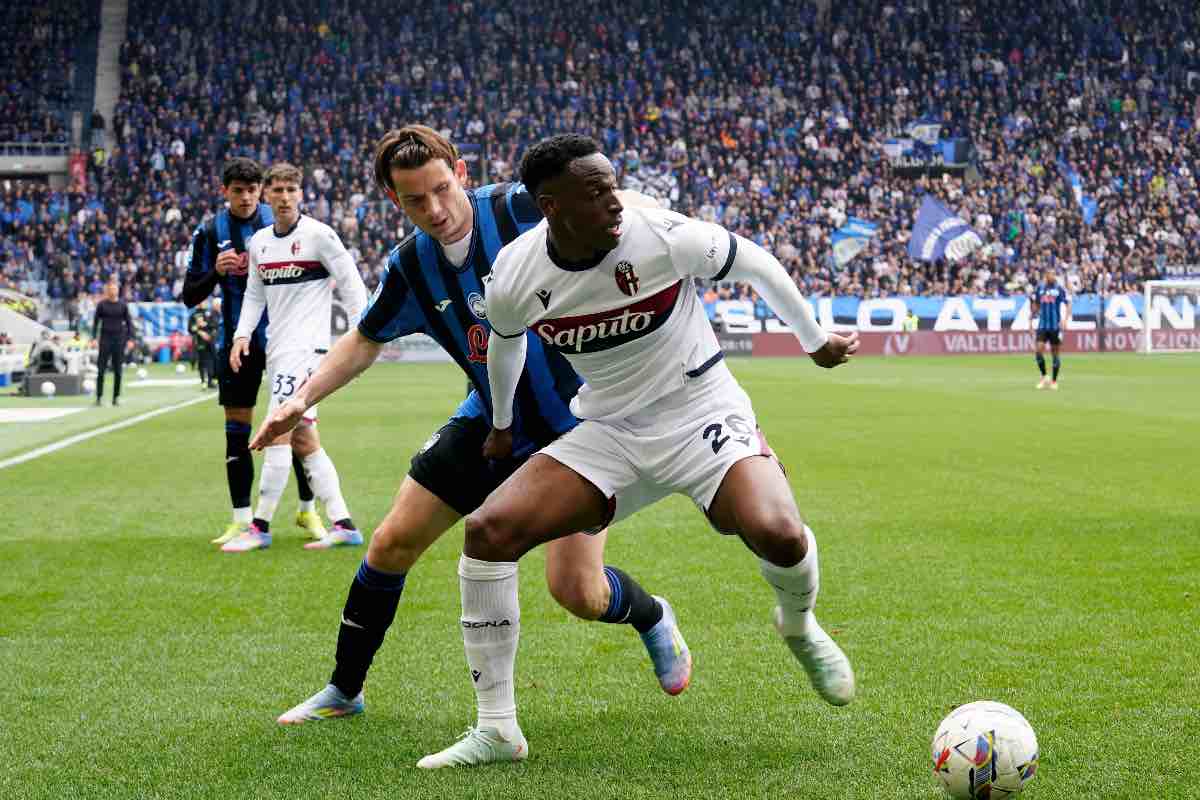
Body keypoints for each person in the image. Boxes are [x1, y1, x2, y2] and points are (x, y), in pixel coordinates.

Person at [421, 134, 859, 768]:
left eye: (612, 183)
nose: (614, 199)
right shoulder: (516, 275)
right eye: (595, 191)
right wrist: (500, 421)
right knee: (488, 531)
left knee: (779, 532)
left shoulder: (660, 233)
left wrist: (813, 339)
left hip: (701, 409)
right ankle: (497, 729)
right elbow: (506, 343)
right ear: (551, 205)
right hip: (611, 430)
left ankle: (798, 624)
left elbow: (757, 262)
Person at [260, 126, 690, 729]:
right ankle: (344, 689)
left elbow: (608, 202)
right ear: (394, 199)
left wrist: (673, 224)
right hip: (491, 422)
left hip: (583, 432)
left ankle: (650, 616)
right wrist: (299, 398)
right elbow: (364, 339)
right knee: (390, 543)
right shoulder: (411, 265)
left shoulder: (517, 209)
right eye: (415, 200)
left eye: (441, 189)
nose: (434, 210)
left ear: (460, 173)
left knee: (577, 592)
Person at [223, 162, 368, 553]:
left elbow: (353, 284)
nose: (284, 197)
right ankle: (344, 523)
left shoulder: (320, 236)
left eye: (291, 190)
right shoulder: (260, 244)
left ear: (301, 194)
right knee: (304, 440)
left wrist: (361, 336)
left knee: (277, 431)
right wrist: (240, 335)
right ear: (267, 196)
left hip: (307, 352)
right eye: (278, 191)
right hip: (279, 349)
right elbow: (254, 295)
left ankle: (259, 526)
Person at [182, 157, 326, 545]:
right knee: (237, 431)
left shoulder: (283, 221)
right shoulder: (211, 230)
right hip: (237, 343)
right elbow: (189, 295)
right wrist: (215, 271)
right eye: (237, 191)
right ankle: (242, 518)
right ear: (224, 191)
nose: (246, 198)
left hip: (288, 343)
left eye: (251, 190)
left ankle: (307, 511)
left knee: (296, 425)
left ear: (261, 190)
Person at [91, 280, 132, 406]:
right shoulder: (102, 305)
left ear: (117, 290)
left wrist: (130, 339)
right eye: (110, 289)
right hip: (105, 339)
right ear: (107, 291)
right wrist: (93, 338)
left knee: (118, 370)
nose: (112, 291)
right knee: (101, 370)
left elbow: (129, 323)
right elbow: (96, 322)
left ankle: (116, 397)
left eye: (114, 289)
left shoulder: (123, 305)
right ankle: (99, 397)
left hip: (119, 339)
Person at [1031, 268, 1071, 390]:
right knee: (1038, 351)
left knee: (1055, 353)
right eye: (1049, 274)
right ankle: (1044, 376)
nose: (1051, 276)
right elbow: (1036, 304)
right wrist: (1033, 313)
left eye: (1053, 274)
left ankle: (1054, 381)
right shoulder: (1040, 288)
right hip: (1042, 325)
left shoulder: (1059, 289)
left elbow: (1068, 303)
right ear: (1045, 276)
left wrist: (1065, 319)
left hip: (1055, 326)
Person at [189, 304, 217, 388]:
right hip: (199, 342)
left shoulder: (209, 313)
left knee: (212, 360)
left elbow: (215, 326)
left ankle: (211, 380)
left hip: (210, 341)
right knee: (202, 361)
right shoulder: (193, 315)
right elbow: (190, 329)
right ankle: (203, 381)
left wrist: (209, 333)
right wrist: (199, 330)